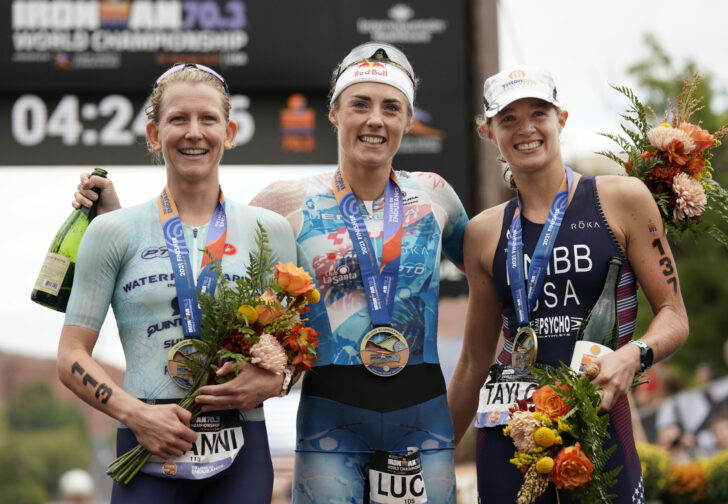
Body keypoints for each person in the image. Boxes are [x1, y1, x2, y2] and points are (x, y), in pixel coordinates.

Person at [72, 43, 469, 503]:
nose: (375, 119)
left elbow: (490, 273)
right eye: (360, 104)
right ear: (335, 113)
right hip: (330, 425)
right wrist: (115, 221)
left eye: (391, 107)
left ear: (408, 119)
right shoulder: (285, 203)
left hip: (423, 421)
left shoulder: (438, 195)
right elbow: (200, 247)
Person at [447, 66, 689, 503]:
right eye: (508, 119)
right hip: (509, 433)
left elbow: (674, 317)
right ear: (488, 132)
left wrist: (633, 355)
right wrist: (435, 450)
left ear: (561, 118)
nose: (526, 128)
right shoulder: (483, 232)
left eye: (538, 112)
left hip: (598, 423)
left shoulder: (623, 199)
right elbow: (472, 362)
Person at [58, 63, 298, 503]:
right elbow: (71, 355)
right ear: (154, 134)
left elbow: (295, 348)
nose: (194, 132)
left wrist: (278, 380)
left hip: (242, 451)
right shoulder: (113, 231)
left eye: (208, 119)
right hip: (145, 444)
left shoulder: (272, 230)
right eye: (178, 119)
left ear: (229, 132)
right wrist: (136, 416)